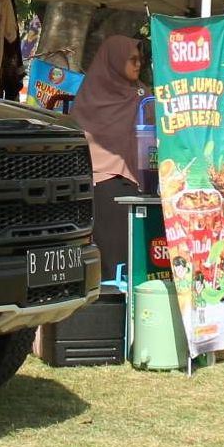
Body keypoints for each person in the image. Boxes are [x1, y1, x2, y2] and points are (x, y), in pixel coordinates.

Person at [73, 34, 148, 276]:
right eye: (132, 59)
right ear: (114, 61)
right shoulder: (91, 95)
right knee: (110, 254)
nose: (138, 64)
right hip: (99, 183)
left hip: (138, 183)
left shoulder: (142, 95)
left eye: (140, 60)